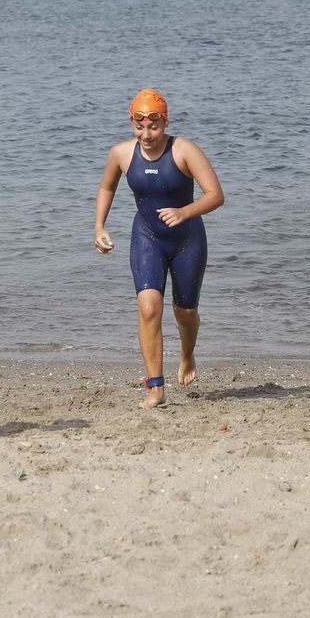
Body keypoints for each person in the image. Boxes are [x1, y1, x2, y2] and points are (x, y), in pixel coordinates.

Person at [94, 88, 225, 409]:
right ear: (132, 123)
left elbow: (215, 195)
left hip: (187, 238)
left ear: (164, 122)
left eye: (154, 126)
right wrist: (99, 226)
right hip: (147, 237)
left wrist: (184, 212)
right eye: (139, 126)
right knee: (149, 308)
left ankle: (187, 354)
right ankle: (156, 388)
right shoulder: (121, 154)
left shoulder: (184, 150)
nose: (147, 134)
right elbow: (106, 186)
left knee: (186, 312)